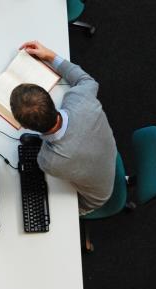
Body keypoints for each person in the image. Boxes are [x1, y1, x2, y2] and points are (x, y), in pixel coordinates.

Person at [10, 41, 117, 214]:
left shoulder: (50, 161)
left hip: (91, 199)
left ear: (22, 126)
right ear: (50, 100)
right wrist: (51, 56)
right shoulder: (81, 100)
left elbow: (48, 160)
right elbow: (86, 80)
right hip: (105, 156)